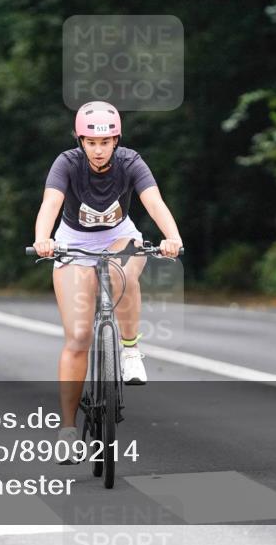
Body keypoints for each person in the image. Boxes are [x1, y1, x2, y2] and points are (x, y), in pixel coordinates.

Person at [32, 101, 183, 455]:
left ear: (116, 140)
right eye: (91, 142)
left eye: (105, 142)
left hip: (119, 236)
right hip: (72, 243)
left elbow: (154, 202)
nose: (98, 150)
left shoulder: (131, 162)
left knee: (123, 271)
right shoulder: (67, 163)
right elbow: (50, 204)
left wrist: (172, 237)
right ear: (80, 141)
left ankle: (130, 350)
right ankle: (68, 429)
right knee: (78, 337)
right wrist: (43, 238)